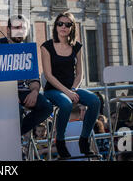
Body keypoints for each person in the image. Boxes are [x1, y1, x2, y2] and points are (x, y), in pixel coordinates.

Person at [41, 11, 100, 159]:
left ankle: (84, 140)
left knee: (94, 100)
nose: (63, 27)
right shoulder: (46, 47)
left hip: (72, 88)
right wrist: (68, 92)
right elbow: (48, 75)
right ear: (55, 26)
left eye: (68, 24)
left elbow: (80, 73)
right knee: (66, 104)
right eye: (60, 23)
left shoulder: (77, 47)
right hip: (53, 90)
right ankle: (60, 141)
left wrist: (73, 89)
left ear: (72, 28)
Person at [0, 14, 54, 136]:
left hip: (22, 91)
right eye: (16, 28)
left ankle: (14, 135)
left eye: (23, 28)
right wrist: (9, 94)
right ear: (8, 30)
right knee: (16, 110)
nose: (20, 31)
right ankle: (14, 141)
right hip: (1, 92)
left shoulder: (28, 49)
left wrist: (35, 92)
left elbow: (34, 78)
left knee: (46, 106)